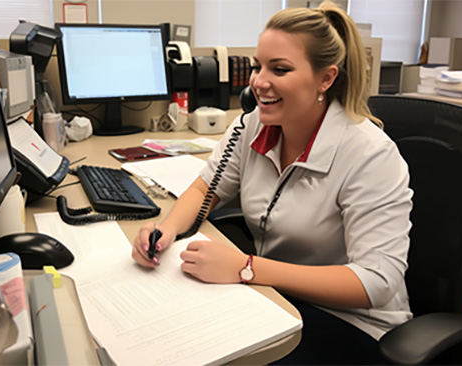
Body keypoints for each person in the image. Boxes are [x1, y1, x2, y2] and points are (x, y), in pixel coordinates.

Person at [132, 2, 413, 364]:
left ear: (326, 79)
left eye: (279, 69)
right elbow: (206, 189)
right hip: (274, 296)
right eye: (257, 66)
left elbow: (375, 281)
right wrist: (166, 230)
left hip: (353, 323)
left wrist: (245, 267)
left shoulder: (369, 154)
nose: (258, 82)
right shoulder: (254, 125)